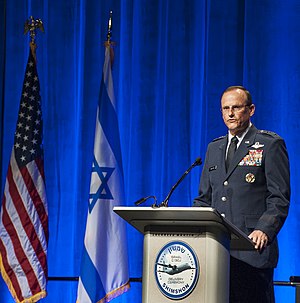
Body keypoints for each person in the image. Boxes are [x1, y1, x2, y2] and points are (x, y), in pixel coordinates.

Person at [193, 86, 290, 302]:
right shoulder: (214, 148)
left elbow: (279, 197)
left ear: (251, 109)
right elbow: (204, 199)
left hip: (252, 251)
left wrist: (264, 230)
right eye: (225, 108)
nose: (230, 113)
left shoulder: (269, 144)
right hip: (217, 253)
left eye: (236, 107)